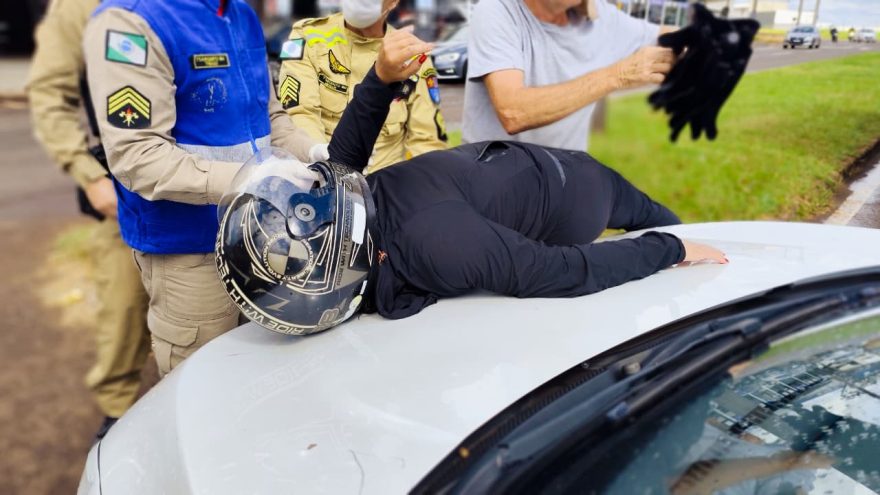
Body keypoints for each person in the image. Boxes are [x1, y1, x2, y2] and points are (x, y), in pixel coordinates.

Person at [216, 27, 726, 334]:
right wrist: (382, 80)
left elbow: (565, 271)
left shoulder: (437, 244)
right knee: (672, 225)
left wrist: (669, 250)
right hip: (530, 168)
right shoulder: (352, 201)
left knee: (679, 235)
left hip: (579, 195)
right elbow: (348, 152)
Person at [82, 0, 322, 375]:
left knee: (264, 374)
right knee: (202, 386)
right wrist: (251, 181)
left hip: (261, 235)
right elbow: (136, 156)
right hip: (190, 251)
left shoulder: (240, 14)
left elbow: (271, 117)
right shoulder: (131, 21)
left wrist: (314, 153)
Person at [26, 0, 151, 439]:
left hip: (202, 179)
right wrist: (90, 176)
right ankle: (117, 413)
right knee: (124, 308)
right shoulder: (79, 8)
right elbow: (48, 93)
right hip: (125, 187)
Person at [462, 0, 677, 151]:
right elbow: (513, 112)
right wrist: (617, 75)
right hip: (495, 180)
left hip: (564, 180)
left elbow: (662, 36)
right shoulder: (497, 10)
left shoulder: (601, 19)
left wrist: (699, 42)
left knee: (657, 215)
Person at [277, 0, 447, 173]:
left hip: (386, 186)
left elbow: (426, 142)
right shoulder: (305, 36)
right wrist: (324, 167)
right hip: (322, 179)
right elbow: (299, 114)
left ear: (394, 2)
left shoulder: (413, 56)